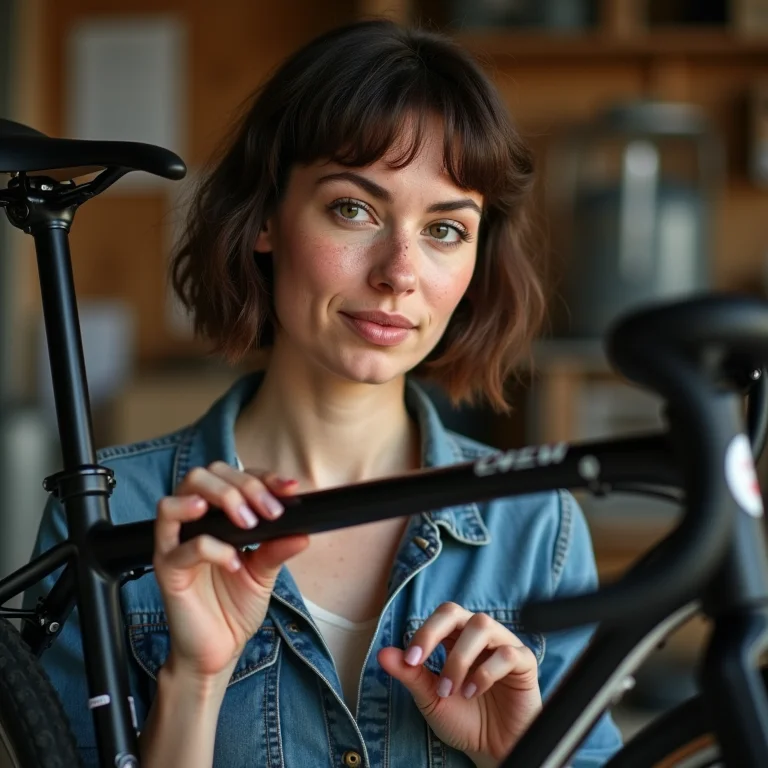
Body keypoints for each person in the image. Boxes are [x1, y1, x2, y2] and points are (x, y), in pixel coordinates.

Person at [25, 17, 624, 768]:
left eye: (445, 229)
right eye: (355, 209)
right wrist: (194, 681)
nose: (399, 271)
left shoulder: (538, 526)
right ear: (267, 218)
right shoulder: (113, 516)